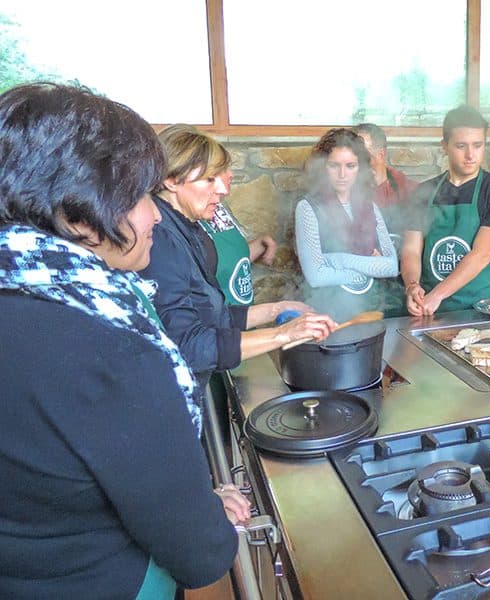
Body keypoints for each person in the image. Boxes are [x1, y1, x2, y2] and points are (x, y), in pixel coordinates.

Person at [0, 83, 249, 599]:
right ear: (77, 216)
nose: (155, 214)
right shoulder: (113, 348)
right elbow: (201, 556)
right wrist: (209, 517)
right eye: (137, 197)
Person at [140, 127, 336, 396]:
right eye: (209, 179)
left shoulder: (190, 227)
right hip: (171, 394)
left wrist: (277, 308)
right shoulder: (160, 240)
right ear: (171, 180)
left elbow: (212, 314)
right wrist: (283, 335)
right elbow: (186, 344)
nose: (222, 189)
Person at [400, 105, 490, 315]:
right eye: (461, 145)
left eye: (478, 145)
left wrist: (436, 295)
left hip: (479, 310)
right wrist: (412, 286)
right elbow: (411, 249)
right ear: (444, 146)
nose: (470, 154)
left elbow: (481, 254)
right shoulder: (422, 192)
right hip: (428, 310)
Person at [158, 124, 277, 307]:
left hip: (235, 325)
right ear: (172, 181)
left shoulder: (206, 210)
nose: (228, 177)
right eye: (211, 177)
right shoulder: (163, 236)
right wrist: (276, 330)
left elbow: (226, 264)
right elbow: (189, 327)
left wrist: (258, 244)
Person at [295, 127, 399, 321]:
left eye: (351, 166)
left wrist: (337, 260)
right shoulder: (309, 208)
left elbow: (391, 267)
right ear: (322, 167)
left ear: (360, 168)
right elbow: (316, 276)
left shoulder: (370, 207)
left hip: (370, 310)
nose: (342, 174)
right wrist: (371, 266)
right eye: (334, 165)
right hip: (329, 315)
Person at [354, 122, 418, 242]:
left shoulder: (411, 190)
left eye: (364, 156)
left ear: (381, 155)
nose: (358, 162)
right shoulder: (347, 195)